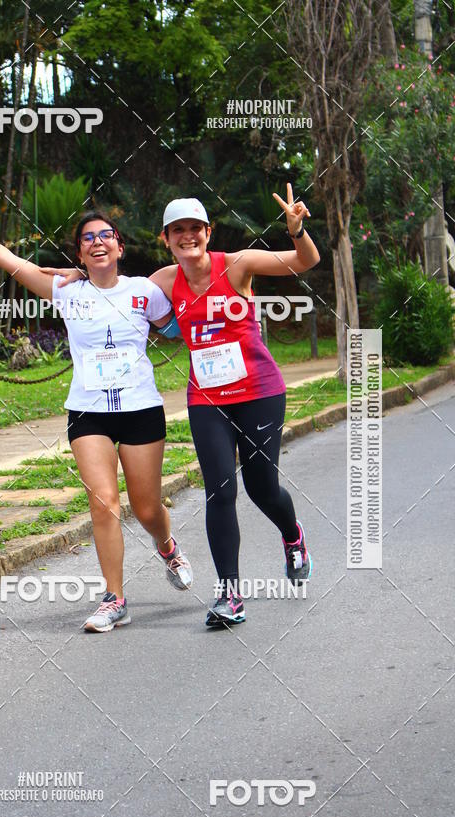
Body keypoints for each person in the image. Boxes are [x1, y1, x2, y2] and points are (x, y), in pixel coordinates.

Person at [0, 198, 193, 633]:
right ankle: (114, 598)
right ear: (80, 254)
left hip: (141, 409)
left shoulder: (146, 291)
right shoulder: (66, 290)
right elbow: (6, 258)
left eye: (106, 235)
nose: (98, 242)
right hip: (88, 413)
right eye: (88, 239)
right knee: (104, 502)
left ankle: (167, 546)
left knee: (145, 508)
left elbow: (181, 321)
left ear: (120, 248)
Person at [149, 186, 320, 627]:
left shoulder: (238, 264)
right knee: (220, 490)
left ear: (207, 232)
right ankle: (229, 594)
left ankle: (293, 536)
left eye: (194, 228)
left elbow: (305, 262)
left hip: (260, 392)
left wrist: (297, 231)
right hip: (206, 400)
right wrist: (70, 275)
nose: (187, 237)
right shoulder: (164, 281)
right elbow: (114, 295)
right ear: (166, 238)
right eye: (177, 231)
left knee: (263, 489)